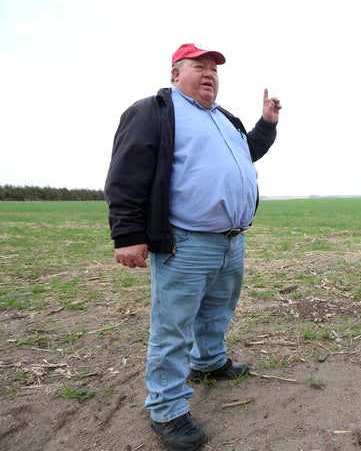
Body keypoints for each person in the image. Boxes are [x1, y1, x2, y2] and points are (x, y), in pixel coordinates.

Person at [104, 42, 281, 451]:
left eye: (214, 70)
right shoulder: (155, 112)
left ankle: (209, 362)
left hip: (230, 241)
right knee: (173, 327)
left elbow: (244, 154)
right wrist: (128, 235)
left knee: (218, 310)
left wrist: (266, 123)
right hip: (184, 242)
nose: (209, 74)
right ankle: (166, 408)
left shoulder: (223, 118)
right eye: (198, 66)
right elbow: (126, 173)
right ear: (174, 73)